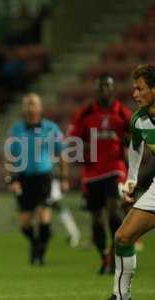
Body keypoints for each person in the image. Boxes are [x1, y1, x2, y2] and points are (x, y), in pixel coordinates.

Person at [68, 74, 132, 274]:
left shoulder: (123, 113)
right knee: (96, 219)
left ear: (113, 89)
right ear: (96, 89)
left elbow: (134, 139)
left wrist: (130, 170)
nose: (104, 89)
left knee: (113, 212)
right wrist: (82, 155)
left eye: (108, 86)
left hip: (115, 169)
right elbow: (74, 140)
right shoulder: (85, 113)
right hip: (92, 173)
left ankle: (114, 255)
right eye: (101, 86)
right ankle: (104, 257)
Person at [108, 64, 155, 299]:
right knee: (123, 237)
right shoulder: (139, 120)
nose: (135, 94)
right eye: (134, 88)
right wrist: (132, 179)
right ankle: (121, 296)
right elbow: (135, 147)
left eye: (141, 88)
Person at [6, 93, 69, 265]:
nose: (30, 107)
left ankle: (39, 255)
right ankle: (36, 243)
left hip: (44, 177)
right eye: (27, 104)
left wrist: (64, 178)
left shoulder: (51, 128)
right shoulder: (16, 129)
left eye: (33, 104)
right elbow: (8, 156)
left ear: (40, 107)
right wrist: (11, 179)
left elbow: (61, 153)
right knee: (24, 223)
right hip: (23, 178)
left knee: (43, 215)